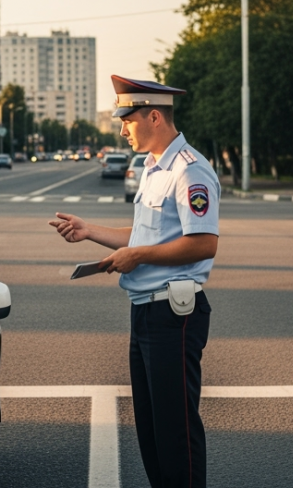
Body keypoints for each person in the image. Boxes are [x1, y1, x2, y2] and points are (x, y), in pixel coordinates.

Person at [49, 75, 219, 488]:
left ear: (154, 116)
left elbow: (203, 244)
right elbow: (146, 236)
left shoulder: (189, 171)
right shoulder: (152, 168)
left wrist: (136, 256)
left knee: (176, 431)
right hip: (144, 312)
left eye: (127, 120)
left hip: (173, 315)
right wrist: (90, 231)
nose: (122, 129)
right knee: (151, 430)